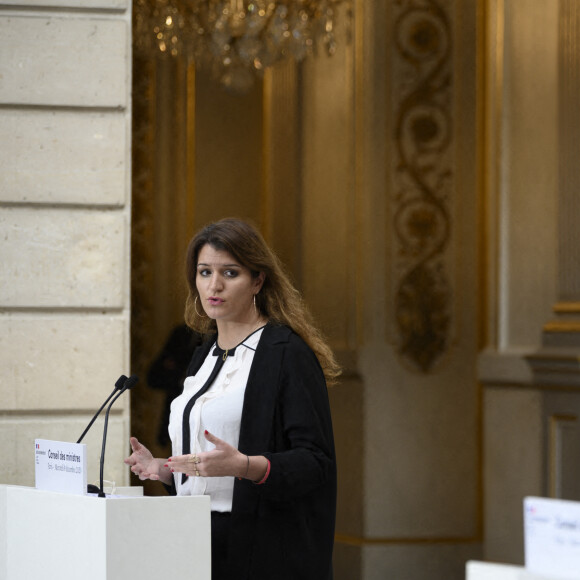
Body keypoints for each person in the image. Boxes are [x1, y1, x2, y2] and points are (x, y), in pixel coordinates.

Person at [124, 217, 340, 580]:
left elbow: (315, 462)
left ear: (258, 280)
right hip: (194, 538)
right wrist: (165, 468)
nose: (215, 285)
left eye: (230, 273)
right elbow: (210, 469)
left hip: (263, 549)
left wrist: (243, 465)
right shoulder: (204, 352)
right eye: (205, 272)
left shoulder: (285, 352)